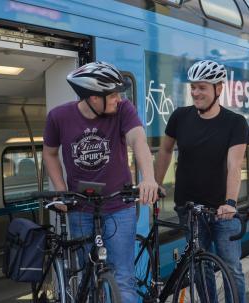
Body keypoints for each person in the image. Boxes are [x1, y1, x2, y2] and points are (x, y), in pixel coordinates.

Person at [43, 61, 159, 302]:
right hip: (80, 209)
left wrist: (148, 178)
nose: (118, 98)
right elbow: (50, 153)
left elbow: (138, 141)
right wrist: (60, 190)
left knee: (123, 279)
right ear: (94, 98)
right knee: (87, 274)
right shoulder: (58, 117)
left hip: (119, 207)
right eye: (113, 94)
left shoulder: (123, 110)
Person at [154, 60, 249, 303]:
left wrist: (230, 202)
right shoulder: (180, 117)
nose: (196, 92)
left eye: (202, 88)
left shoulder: (235, 122)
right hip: (189, 207)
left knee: (231, 267)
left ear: (219, 89)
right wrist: (156, 184)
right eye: (193, 87)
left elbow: (234, 165)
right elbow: (165, 151)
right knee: (200, 269)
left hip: (221, 210)